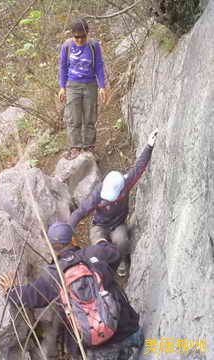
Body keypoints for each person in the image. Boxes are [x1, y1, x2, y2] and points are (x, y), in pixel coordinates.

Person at [0, 222, 144, 360]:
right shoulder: (96, 253)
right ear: (73, 240)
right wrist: (101, 243)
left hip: (100, 348)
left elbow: (30, 296)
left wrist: (11, 291)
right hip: (128, 331)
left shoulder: (53, 276)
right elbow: (116, 253)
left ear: (51, 247)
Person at [69, 129, 158, 276]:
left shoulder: (126, 183)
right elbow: (81, 211)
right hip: (100, 225)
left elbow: (139, 167)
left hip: (118, 224)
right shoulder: (98, 193)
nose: (107, 199)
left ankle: (121, 260)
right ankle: (102, 268)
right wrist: (68, 229)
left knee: (122, 241)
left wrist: (149, 146)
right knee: (98, 247)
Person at [58, 18, 107, 160]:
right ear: (72, 35)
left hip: (90, 85)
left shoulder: (94, 45)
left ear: (88, 33)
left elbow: (98, 65)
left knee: (90, 117)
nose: (79, 40)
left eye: (82, 36)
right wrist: (62, 87)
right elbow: (62, 66)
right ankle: (75, 147)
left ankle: (89, 147)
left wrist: (102, 86)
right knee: (74, 118)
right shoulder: (67, 46)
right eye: (76, 37)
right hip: (73, 85)